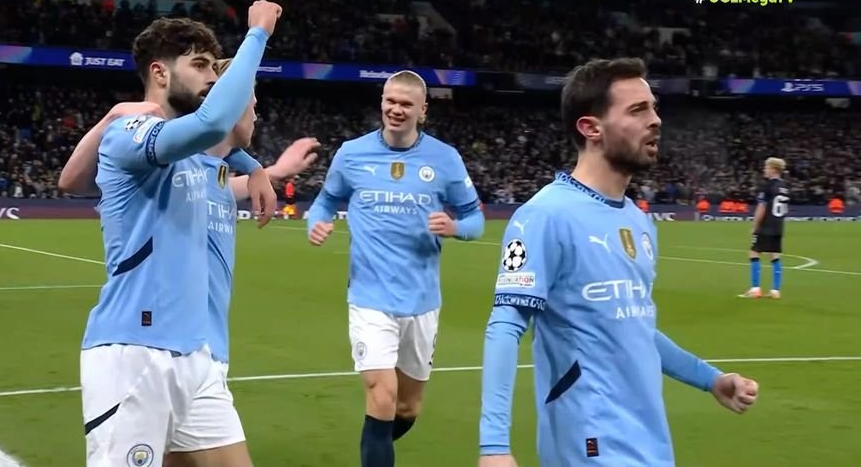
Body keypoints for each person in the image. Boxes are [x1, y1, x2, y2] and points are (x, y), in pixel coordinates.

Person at [478, 58, 760, 467]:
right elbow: (505, 326)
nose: (656, 120)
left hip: (648, 440)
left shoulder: (638, 221)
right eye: (638, 110)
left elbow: (633, 328)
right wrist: (494, 447)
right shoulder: (544, 215)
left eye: (654, 107)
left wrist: (710, 379)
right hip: (589, 439)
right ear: (591, 128)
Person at [59, 56, 319, 467]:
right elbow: (72, 181)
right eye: (251, 102)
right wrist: (110, 118)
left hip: (201, 353)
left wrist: (266, 170)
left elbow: (219, 176)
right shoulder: (164, 158)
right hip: (147, 347)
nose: (256, 112)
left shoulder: (210, 171)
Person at [306, 70, 485, 467]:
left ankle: (374, 444)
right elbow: (324, 202)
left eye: (406, 104)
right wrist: (316, 222)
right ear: (381, 103)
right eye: (390, 101)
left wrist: (455, 228)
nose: (396, 109)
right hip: (369, 298)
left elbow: (476, 220)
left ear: (423, 110)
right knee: (382, 395)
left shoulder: (445, 159)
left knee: (406, 408)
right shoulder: (352, 154)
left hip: (422, 302)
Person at [739, 157, 789, 299]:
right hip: (778, 226)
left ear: (773, 169)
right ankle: (775, 290)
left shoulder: (767, 186)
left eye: (766, 167)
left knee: (754, 253)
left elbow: (761, 207)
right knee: (775, 255)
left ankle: (755, 289)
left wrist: (755, 225)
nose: (764, 170)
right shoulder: (784, 187)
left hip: (766, 225)